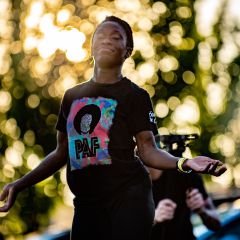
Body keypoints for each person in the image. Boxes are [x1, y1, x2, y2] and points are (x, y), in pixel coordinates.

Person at [0, 16, 226, 240]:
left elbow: (148, 149)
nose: (106, 41)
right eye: (100, 36)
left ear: (127, 51)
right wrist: (20, 184)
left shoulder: (135, 96)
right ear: (91, 46)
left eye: (115, 37)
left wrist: (184, 162)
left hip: (128, 198)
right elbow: (61, 153)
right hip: (86, 204)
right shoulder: (71, 97)